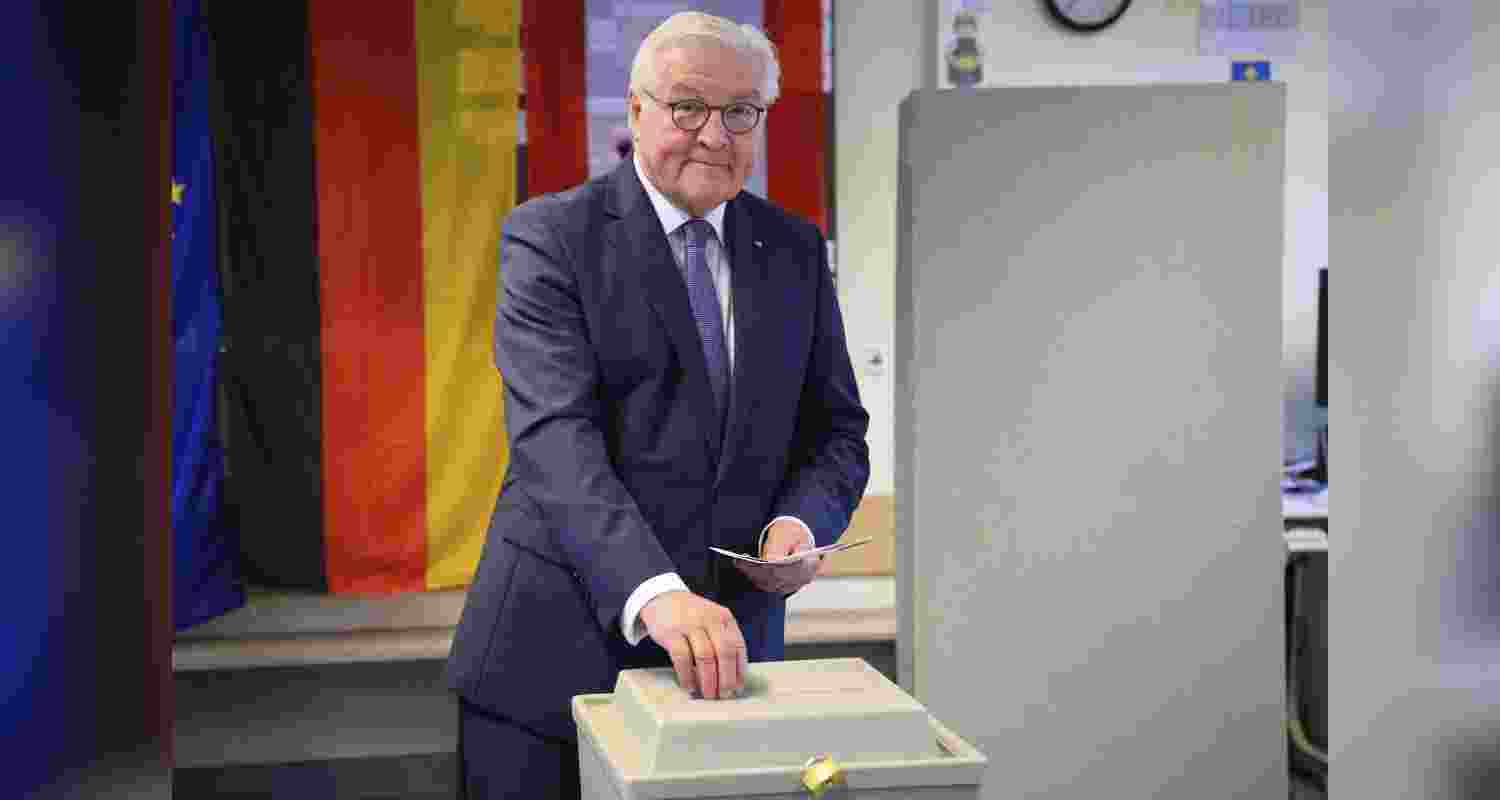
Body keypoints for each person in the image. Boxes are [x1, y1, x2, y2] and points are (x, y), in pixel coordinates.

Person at [444, 11, 870, 799]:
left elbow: (837, 433)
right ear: (637, 111)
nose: (713, 133)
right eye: (688, 106)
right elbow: (555, 440)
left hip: (728, 669)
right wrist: (655, 591)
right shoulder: (551, 237)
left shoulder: (794, 249)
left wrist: (801, 522)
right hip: (553, 664)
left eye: (739, 111)